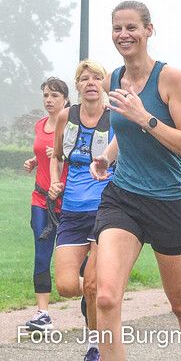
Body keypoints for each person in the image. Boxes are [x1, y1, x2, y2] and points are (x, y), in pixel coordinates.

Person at [90, 1, 181, 360]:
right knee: (106, 296)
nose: (123, 35)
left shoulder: (171, 79)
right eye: (117, 29)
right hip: (123, 198)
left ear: (148, 30)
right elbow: (123, 134)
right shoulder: (113, 79)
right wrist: (107, 156)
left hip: (168, 202)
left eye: (131, 28)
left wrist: (146, 118)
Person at [49, 60, 113, 361]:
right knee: (65, 286)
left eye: (96, 77)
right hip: (72, 211)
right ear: (76, 86)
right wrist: (53, 180)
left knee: (92, 284)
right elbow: (58, 156)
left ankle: (95, 345)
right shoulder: (66, 116)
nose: (90, 82)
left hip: (106, 210)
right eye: (84, 78)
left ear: (103, 84)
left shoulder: (115, 118)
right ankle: (99, 302)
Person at [22, 77, 70, 332]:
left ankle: (93, 306)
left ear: (65, 98)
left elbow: (85, 160)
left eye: (54, 95)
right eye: (46, 95)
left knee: (78, 262)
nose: (49, 100)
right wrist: (35, 160)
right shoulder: (40, 125)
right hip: (41, 199)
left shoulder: (73, 125)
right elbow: (42, 151)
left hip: (70, 202)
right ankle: (43, 314)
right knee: (42, 256)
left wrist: (61, 157)